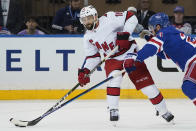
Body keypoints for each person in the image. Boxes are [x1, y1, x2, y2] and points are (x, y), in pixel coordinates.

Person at [78, 5, 174, 125]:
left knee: (147, 87)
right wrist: (86, 70)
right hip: (112, 59)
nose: (87, 22)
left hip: (130, 53)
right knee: (114, 80)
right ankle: (113, 109)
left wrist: (125, 34)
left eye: (89, 18)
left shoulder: (109, 18)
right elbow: (93, 57)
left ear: (96, 16)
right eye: (84, 19)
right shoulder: (88, 37)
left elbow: (131, 17)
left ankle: (163, 110)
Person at [123, 12, 196, 107]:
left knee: (188, 87)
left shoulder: (164, 33)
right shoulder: (171, 33)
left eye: (151, 27)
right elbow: (164, 55)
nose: (151, 30)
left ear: (158, 27)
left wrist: (134, 57)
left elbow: (151, 48)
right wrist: (149, 39)